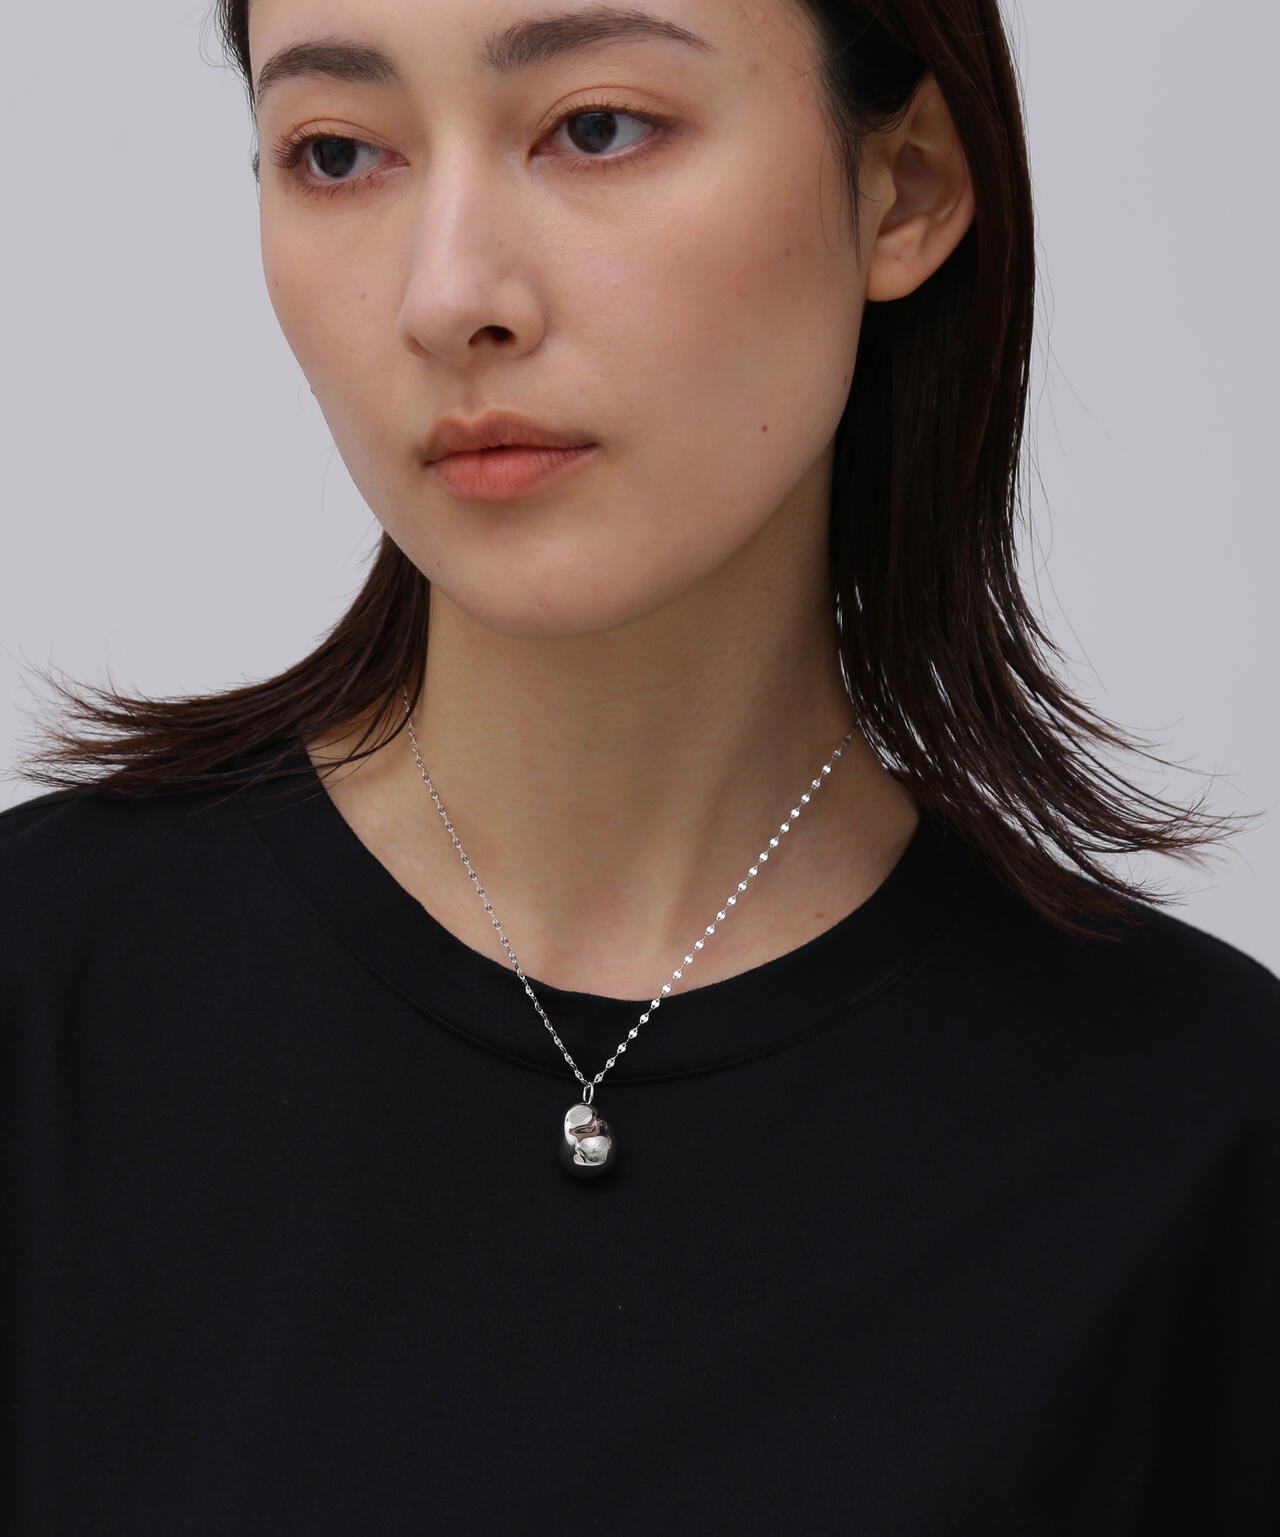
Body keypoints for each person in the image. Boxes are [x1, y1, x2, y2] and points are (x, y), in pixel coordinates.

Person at [3, 0, 1277, 1531]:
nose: (449, 296)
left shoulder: (1201, 1138)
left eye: (596, 129)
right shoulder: (43, 1004)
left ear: (907, 187)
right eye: (337, 153)